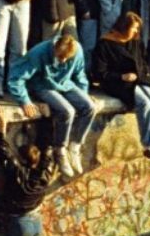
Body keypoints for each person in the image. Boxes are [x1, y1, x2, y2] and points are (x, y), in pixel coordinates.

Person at [8, 34, 95, 178]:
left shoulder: (77, 50)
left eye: (67, 59)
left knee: (90, 107)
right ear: (54, 48)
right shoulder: (39, 52)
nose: (63, 61)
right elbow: (16, 78)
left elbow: (80, 75)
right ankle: (60, 149)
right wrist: (25, 100)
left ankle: (75, 146)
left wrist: (84, 94)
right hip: (43, 85)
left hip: (65, 84)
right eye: (60, 57)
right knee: (67, 111)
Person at [93, 13, 150, 165]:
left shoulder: (134, 41)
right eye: (133, 28)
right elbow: (99, 73)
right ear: (124, 27)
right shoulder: (105, 44)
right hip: (119, 82)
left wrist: (144, 73)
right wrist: (121, 77)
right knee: (144, 103)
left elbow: (143, 61)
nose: (136, 32)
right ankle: (148, 145)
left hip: (139, 78)